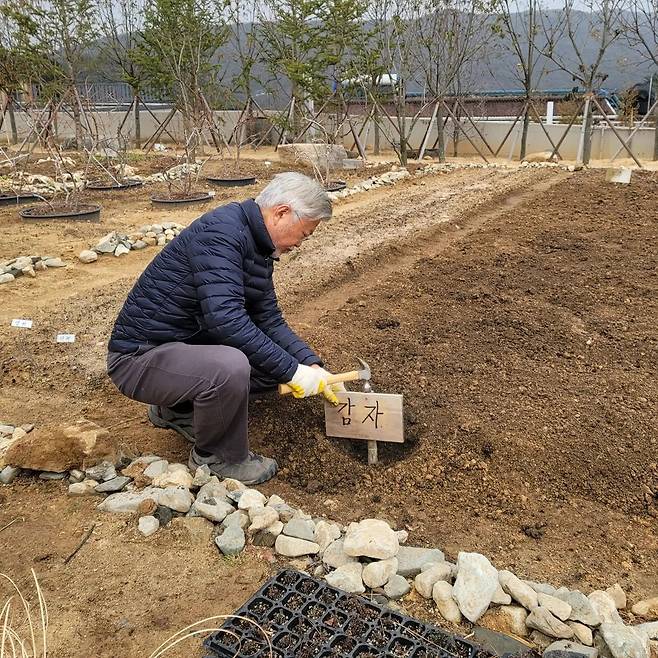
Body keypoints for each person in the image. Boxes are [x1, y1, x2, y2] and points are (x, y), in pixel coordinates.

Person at [107, 172, 342, 485]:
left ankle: (174, 410)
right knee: (231, 367)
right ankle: (218, 457)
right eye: (305, 233)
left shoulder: (257, 244)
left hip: (179, 348)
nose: (301, 243)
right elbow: (226, 319)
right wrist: (294, 373)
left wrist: (309, 364)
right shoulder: (222, 234)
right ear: (282, 213)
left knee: (272, 366)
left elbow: (268, 318)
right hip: (139, 359)